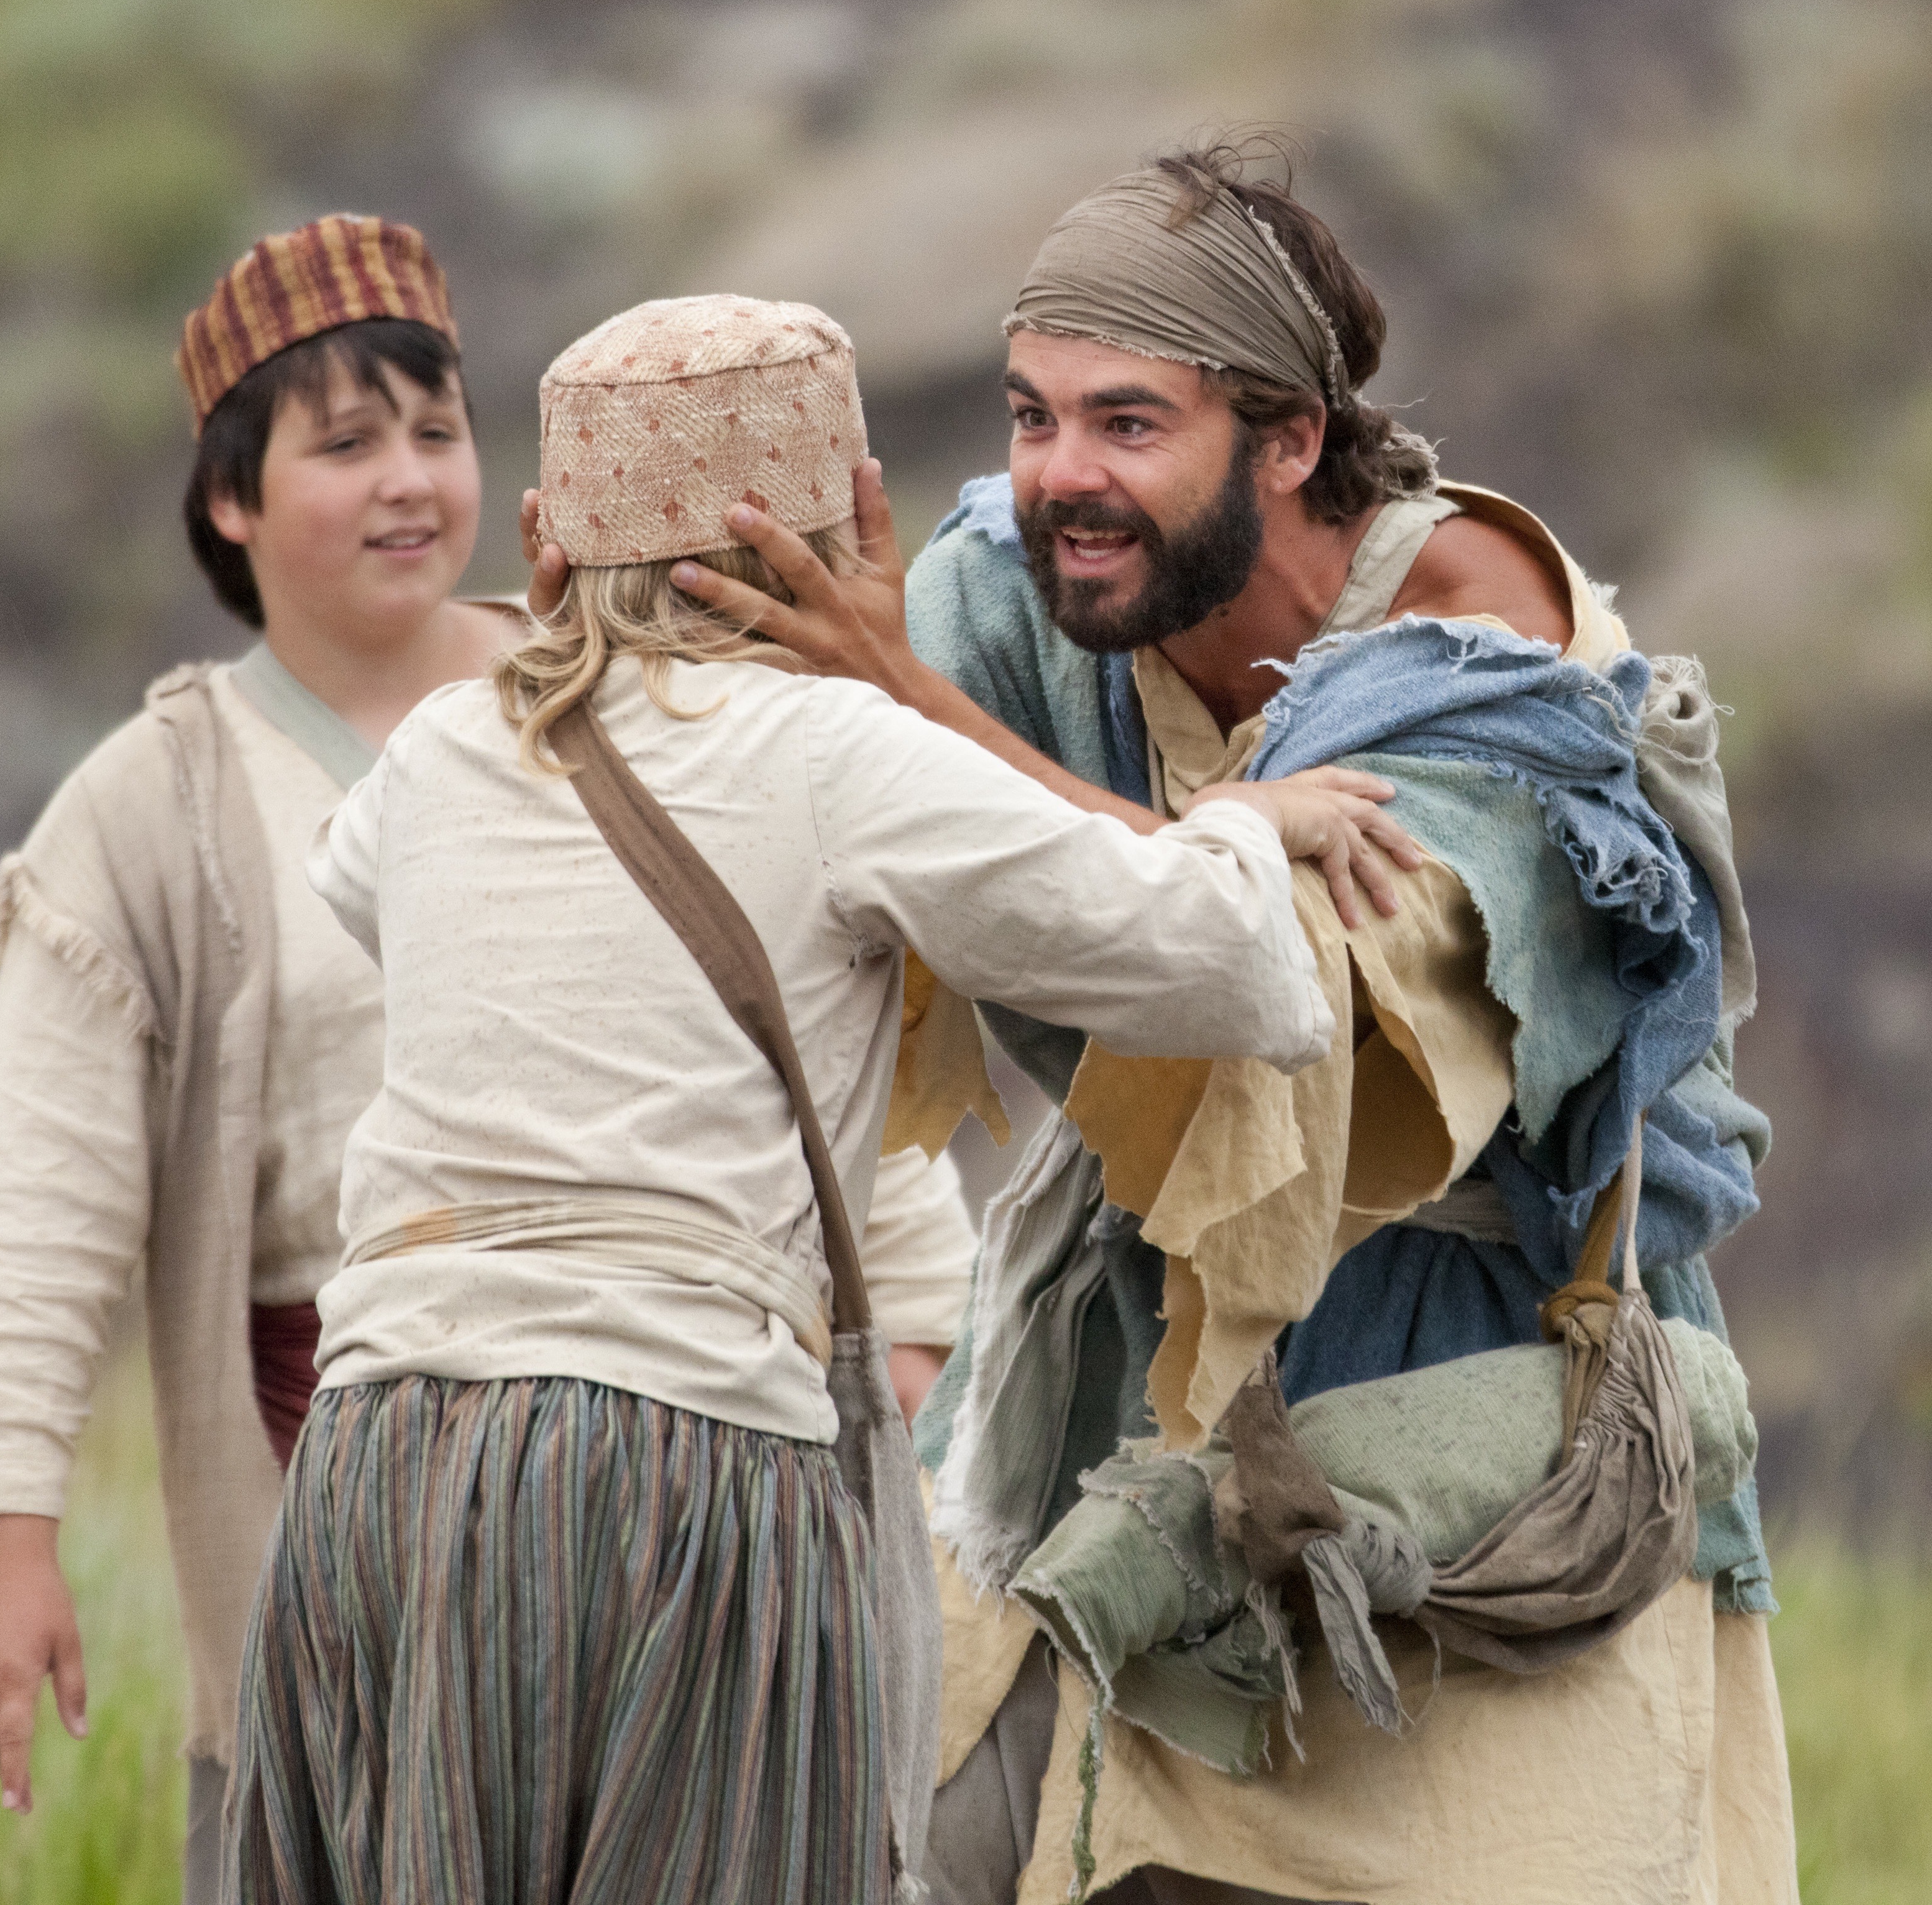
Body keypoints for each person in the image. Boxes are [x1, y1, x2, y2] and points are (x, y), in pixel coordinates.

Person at [665, 145, 1792, 1903]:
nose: (1061, 477)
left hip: (1474, 1436)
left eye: (1130, 423)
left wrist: (908, 713)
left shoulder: (1485, 646)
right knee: (906, 1832)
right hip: (1121, 1406)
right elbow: (734, 735)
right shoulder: (1017, 596)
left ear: (1285, 439)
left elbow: (1290, 989)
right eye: (1034, 416)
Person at [228, 293, 1421, 1904]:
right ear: (847, 518)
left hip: (382, 1448)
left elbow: (363, 888)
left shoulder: (442, 749)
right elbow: (1228, 970)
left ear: (546, 529)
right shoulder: (838, 750)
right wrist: (1242, 821)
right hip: (666, 1456)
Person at [0, 216, 975, 1897]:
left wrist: (896, 1326)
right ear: (231, 500)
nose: (407, 481)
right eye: (344, 444)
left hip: (697, 1436)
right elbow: (40, 1181)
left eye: (438, 433)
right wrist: (5, 1534)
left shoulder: (636, 691)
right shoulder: (149, 808)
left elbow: (813, 1017)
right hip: (353, 1481)